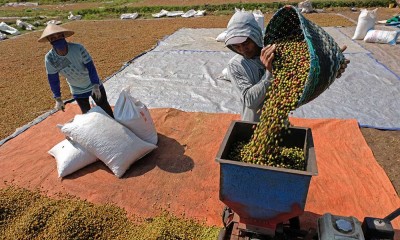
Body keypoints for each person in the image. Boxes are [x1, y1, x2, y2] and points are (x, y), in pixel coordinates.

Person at [224, 11, 349, 122]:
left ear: (255, 36)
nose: (243, 49)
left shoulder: (277, 51)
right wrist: (269, 73)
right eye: (236, 46)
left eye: (246, 43)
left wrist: (330, 66)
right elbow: (249, 101)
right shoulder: (235, 65)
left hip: (279, 121)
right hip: (253, 124)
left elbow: (304, 75)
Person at [38, 24, 114, 118]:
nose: (57, 39)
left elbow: (91, 67)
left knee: (105, 109)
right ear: (50, 41)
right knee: (87, 115)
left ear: (63, 36)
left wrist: (95, 85)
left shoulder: (78, 48)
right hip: (77, 90)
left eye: (59, 36)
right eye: (53, 38)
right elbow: (53, 79)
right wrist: (58, 98)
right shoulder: (50, 58)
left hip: (93, 86)